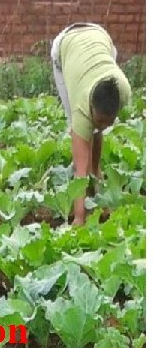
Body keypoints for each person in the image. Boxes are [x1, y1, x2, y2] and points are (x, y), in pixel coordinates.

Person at [50, 22, 131, 226]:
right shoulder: (82, 108)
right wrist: (79, 217)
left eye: (108, 122)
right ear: (90, 108)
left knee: (94, 130)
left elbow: (100, 121)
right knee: (81, 136)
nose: (103, 125)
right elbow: (79, 172)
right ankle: (91, 184)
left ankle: (97, 174)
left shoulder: (123, 90)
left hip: (100, 36)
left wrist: (99, 126)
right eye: (99, 119)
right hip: (65, 45)